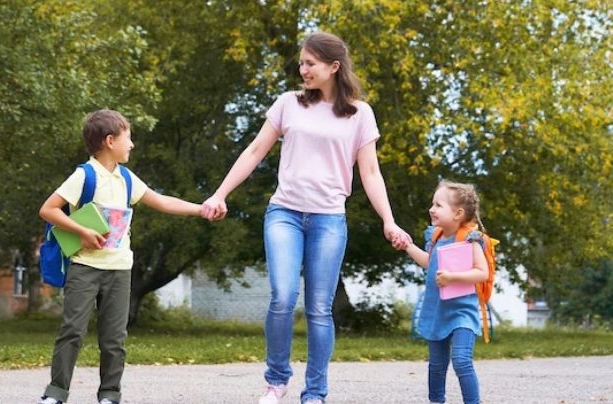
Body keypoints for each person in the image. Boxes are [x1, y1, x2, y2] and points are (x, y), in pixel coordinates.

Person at [201, 32, 411, 404]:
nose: (303, 69)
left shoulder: (360, 113)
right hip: (284, 213)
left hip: (329, 218)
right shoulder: (288, 104)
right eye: (301, 62)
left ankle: (314, 392)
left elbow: (371, 173)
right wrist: (220, 193)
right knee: (282, 296)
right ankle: (276, 381)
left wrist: (389, 220)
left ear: (334, 67)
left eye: (310, 63)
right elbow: (254, 152)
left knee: (319, 308)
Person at [38, 109, 204, 404]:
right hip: (84, 267)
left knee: (114, 340)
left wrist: (201, 208)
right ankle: (56, 394)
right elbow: (48, 209)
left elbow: (162, 201)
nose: (132, 145)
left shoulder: (126, 178)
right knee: (72, 332)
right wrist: (83, 232)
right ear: (110, 140)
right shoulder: (84, 175)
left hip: (119, 269)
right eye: (129, 138)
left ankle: (110, 395)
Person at [400, 180, 489, 404]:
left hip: (462, 313)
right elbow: (429, 262)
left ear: (458, 213)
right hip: (437, 311)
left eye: (438, 205)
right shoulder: (436, 236)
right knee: (437, 366)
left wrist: (452, 277)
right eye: (433, 204)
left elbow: (482, 272)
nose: (432, 209)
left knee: (461, 360)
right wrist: (408, 246)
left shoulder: (472, 239)